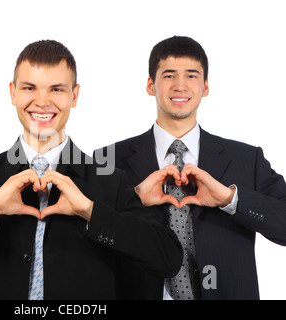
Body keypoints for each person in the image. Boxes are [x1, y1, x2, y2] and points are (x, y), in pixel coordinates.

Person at [0, 39, 183, 300]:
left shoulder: (109, 180)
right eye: (30, 88)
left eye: (56, 89)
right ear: (13, 93)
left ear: (74, 95)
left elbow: (168, 258)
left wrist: (90, 212)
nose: (42, 101)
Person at [95, 35, 286, 300]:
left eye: (192, 76)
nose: (180, 86)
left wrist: (231, 200)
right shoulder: (108, 159)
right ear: (151, 85)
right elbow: (84, 243)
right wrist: (133, 201)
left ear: (205, 86)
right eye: (169, 75)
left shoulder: (246, 158)